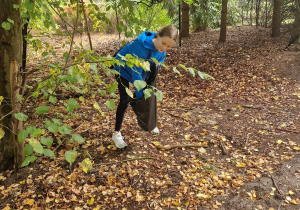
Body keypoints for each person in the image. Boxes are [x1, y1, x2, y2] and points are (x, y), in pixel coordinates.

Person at [112, 25, 178, 148]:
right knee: (125, 100)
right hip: (121, 67)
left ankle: (150, 123)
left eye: (168, 46)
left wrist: (146, 94)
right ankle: (116, 134)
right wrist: (141, 97)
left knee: (150, 92)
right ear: (157, 35)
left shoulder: (161, 51)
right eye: (163, 43)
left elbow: (156, 66)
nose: (164, 48)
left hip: (141, 69)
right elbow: (136, 74)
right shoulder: (140, 45)